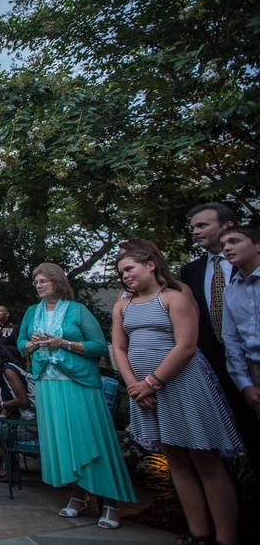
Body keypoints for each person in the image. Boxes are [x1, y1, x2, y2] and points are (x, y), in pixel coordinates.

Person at [113, 245, 242, 545]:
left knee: (204, 459)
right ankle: (200, 534)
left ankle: (226, 539)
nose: (125, 276)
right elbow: (119, 348)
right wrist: (134, 386)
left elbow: (186, 345)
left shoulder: (174, 296)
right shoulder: (122, 306)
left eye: (129, 269)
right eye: (121, 273)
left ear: (151, 265)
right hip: (143, 393)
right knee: (176, 461)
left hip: (182, 384)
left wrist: (152, 382)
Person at [19, 263, 134, 529]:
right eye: (36, 282)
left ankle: (110, 502)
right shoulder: (31, 312)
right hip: (48, 383)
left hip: (77, 382)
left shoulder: (77, 310)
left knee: (89, 438)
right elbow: (21, 341)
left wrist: (64, 343)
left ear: (58, 282)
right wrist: (31, 345)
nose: (39, 285)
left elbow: (97, 346)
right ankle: (78, 496)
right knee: (61, 442)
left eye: (44, 281)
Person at [181, 203, 260, 479]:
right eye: (193, 227)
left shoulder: (245, 269)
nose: (195, 231)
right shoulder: (190, 272)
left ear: (227, 225)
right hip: (219, 369)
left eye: (202, 225)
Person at [0, 341, 35, 482]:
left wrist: (1, 404)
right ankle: (7, 461)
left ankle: (8, 462)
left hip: (31, 426)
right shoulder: (3, 372)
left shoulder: (8, 370)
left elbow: (24, 401)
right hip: (20, 421)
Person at [221, 226, 260, 418]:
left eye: (234, 242)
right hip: (254, 372)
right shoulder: (230, 291)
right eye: (223, 245)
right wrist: (245, 384)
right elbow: (231, 339)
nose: (226, 248)